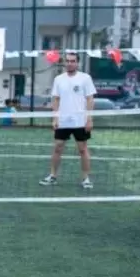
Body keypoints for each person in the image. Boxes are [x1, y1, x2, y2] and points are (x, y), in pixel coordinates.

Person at [41, 52, 97, 189]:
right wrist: (55, 118)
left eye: (72, 61)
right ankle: (53, 176)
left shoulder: (85, 78)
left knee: (83, 149)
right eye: (67, 61)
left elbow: (90, 99)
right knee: (57, 148)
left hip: (80, 121)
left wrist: (89, 118)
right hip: (63, 121)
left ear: (77, 63)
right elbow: (55, 99)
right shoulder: (58, 79)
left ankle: (85, 179)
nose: (69, 63)